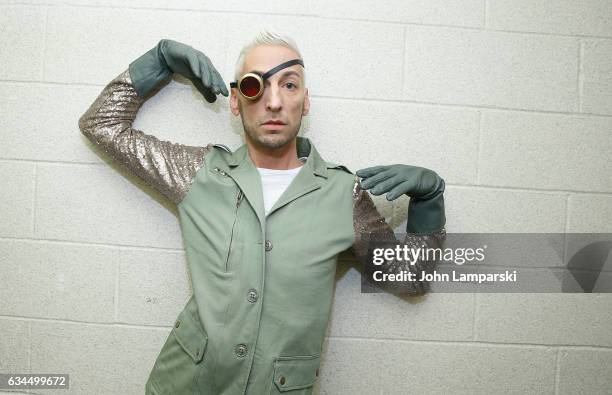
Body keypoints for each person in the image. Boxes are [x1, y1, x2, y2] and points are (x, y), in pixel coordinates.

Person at [78, 30, 446, 395]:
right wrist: (156, 61)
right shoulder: (200, 173)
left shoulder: (342, 195)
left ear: (306, 102)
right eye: (256, 85)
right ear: (236, 101)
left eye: (289, 85)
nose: (273, 102)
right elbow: (101, 125)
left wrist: (429, 201)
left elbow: (410, 278)